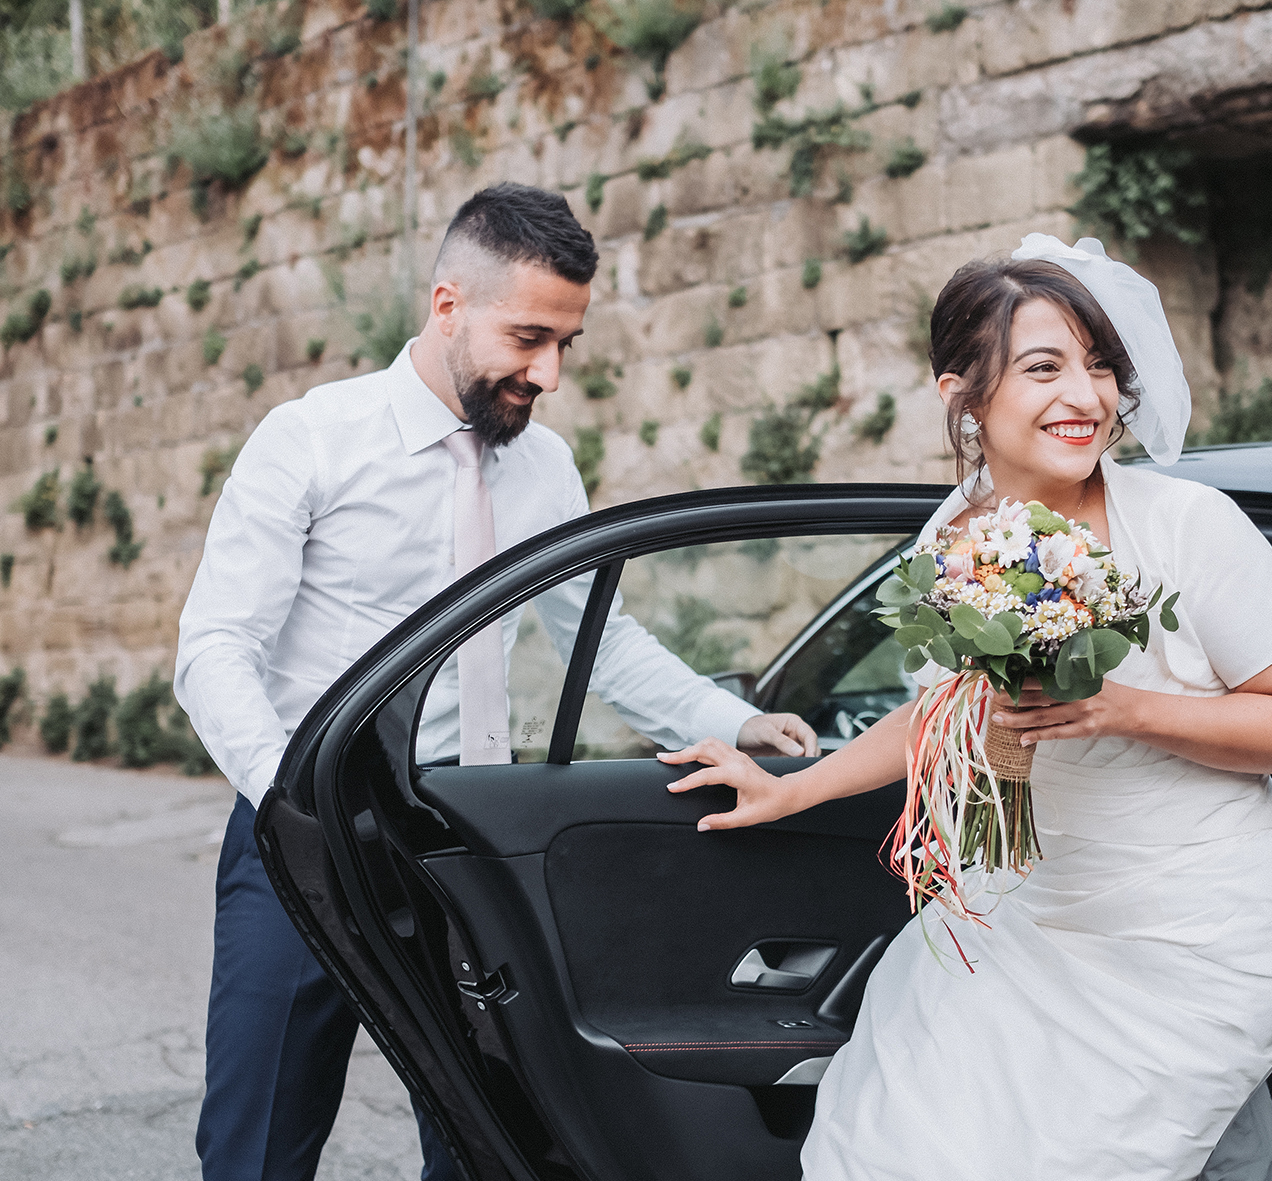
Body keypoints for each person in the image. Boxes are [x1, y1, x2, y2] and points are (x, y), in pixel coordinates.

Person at [660, 235, 1272, 1178]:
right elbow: (946, 714)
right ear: (964, 395)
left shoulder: (1191, 526)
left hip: (1197, 926)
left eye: (1100, 367)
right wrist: (792, 791)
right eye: (1045, 367)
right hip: (1026, 918)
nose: (1087, 397)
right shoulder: (954, 533)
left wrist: (1123, 708)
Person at [174, 183, 818, 1181]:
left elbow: (600, 642)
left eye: (566, 342)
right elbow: (215, 648)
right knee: (258, 1137)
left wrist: (735, 719)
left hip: (466, 840)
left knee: (494, 1135)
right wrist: (290, 803)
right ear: (447, 305)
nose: (549, 371)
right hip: (302, 834)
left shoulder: (545, 466)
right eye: (527, 337)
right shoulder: (308, 440)